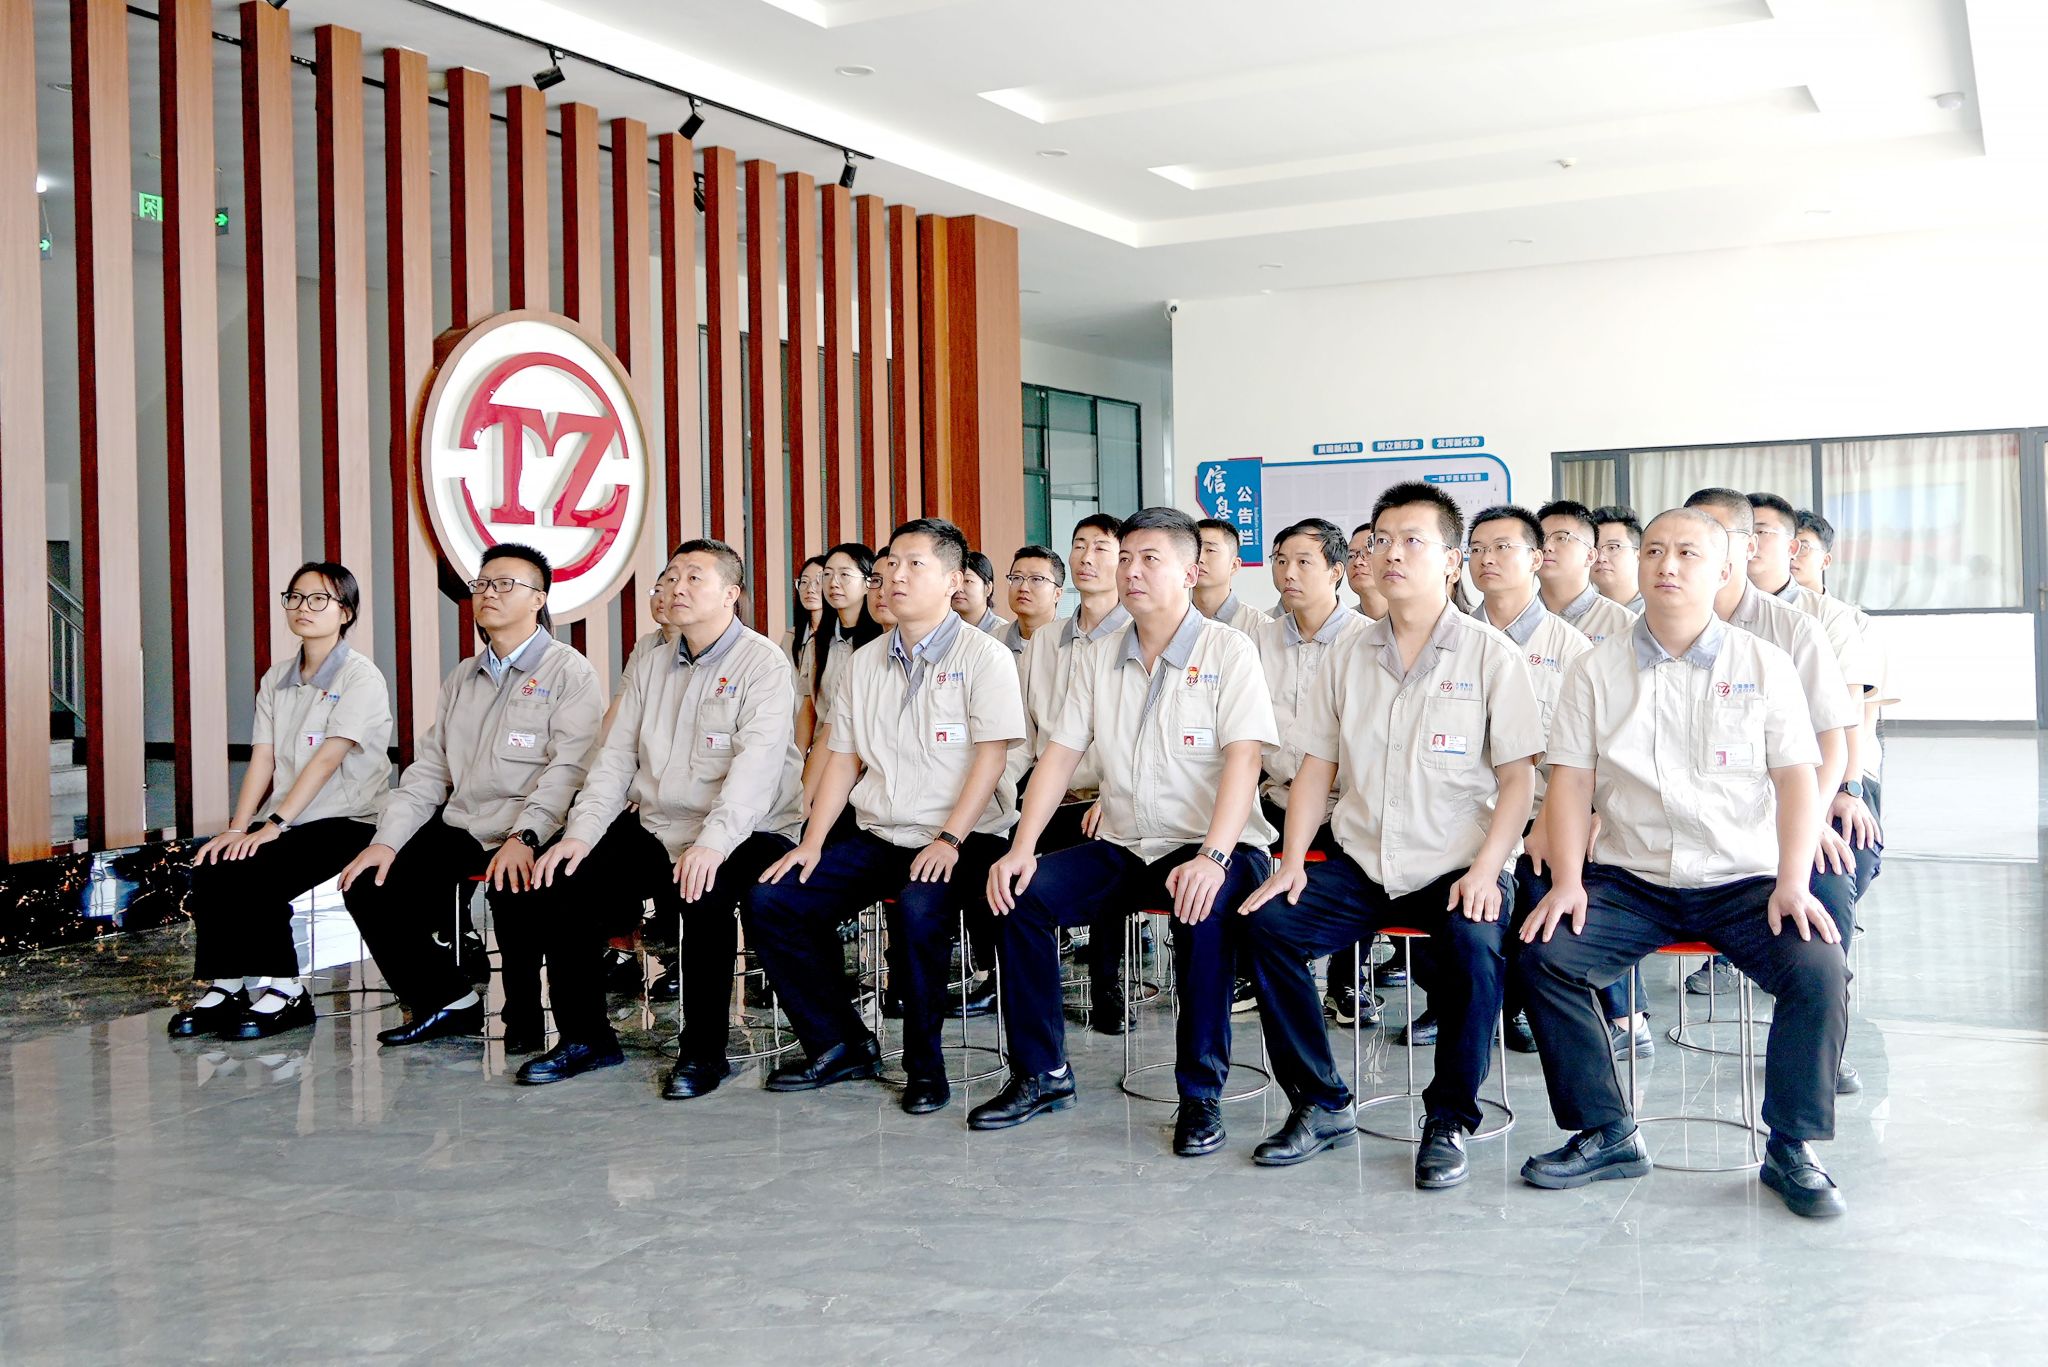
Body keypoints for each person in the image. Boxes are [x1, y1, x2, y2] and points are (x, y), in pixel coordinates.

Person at [1515, 507, 1850, 1219]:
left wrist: (1793, 882)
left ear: (1724, 570)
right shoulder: (1595, 668)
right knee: (1546, 955)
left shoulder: (1763, 664)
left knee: (1819, 968)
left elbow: (1797, 781)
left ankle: (1791, 1145)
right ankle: (1606, 1131)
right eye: (1655, 551)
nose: (1668, 565)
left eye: (1688, 553)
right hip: (1632, 879)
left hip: (1743, 879)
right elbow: (1571, 782)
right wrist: (1568, 881)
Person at [1236, 483, 1541, 1185]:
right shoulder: (1348, 654)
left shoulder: (1491, 656)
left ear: (1452, 562)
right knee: (1269, 924)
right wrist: (1291, 861)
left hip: (1457, 862)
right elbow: (1316, 767)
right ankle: (1320, 1103)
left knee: (1474, 945)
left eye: (1412, 541)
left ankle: (1449, 1118)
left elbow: (1518, 781)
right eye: (1380, 540)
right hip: (1364, 861)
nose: (1391, 553)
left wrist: (1487, 869)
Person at [975, 507, 1278, 1157]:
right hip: (1126, 843)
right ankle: (1043, 1073)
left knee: (1201, 912)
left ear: (1190, 572)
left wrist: (1213, 855)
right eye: (1127, 558)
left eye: (1150, 559)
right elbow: (1060, 754)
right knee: (1020, 894)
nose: (1131, 571)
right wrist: (1021, 848)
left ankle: (1200, 1094)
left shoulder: (1229, 650)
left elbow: (1244, 759)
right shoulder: (1100, 655)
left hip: (1217, 845)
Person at [747, 517, 1026, 1116]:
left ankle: (925, 1067)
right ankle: (840, 1043)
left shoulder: (985, 657)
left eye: (914, 564)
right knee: (776, 900)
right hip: (881, 833)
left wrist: (950, 838)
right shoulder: (865, 662)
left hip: (967, 835)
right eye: (890, 564)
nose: (896, 576)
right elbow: (843, 758)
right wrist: (812, 841)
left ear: (953, 579)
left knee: (919, 912)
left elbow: (992, 758)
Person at [527, 539, 804, 1094]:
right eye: (671, 576)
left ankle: (704, 1052)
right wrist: (580, 835)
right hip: (659, 822)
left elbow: (755, 771)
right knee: (564, 874)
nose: (677, 587)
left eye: (694, 577)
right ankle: (586, 1038)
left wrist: (713, 843)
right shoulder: (650, 660)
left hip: (750, 827)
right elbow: (615, 759)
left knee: (704, 891)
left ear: (731, 594)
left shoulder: (763, 663)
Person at [337, 545, 602, 1051]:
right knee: (369, 883)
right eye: (482, 584)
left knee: (515, 886)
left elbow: (569, 770)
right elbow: (429, 771)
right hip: (465, 824)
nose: (488, 594)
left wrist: (526, 836)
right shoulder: (463, 677)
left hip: (535, 827)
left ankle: (527, 1022)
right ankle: (447, 1000)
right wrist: (386, 841)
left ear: (538, 599)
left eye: (505, 584)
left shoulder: (569, 673)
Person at [169, 563, 392, 1041]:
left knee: (260, 872)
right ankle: (228, 986)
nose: (303, 608)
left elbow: (328, 759)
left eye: (319, 599)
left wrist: (273, 824)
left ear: (345, 612)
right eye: (295, 597)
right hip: (289, 819)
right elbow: (263, 757)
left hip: (350, 819)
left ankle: (288, 991)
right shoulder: (277, 678)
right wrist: (238, 827)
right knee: (214, 862)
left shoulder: (360, 677)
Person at [1463, 506, 1617, 1058]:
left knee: (1540, 889)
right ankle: (1460, 1002)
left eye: (1503, 547)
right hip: (1461, 812)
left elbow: (1585, 757)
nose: (1487, 559)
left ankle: (1523, 1003)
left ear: (1536, 557)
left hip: (1541, 813)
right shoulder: (1450, 638)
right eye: (1477, 549)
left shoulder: (1572, 649)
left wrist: (1556, 822)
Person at [1245, 519, 1370, 1025]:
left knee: (1358, 859)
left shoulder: (1367, 641)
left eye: (1303, 562)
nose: (1288, 573)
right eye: (1280, 561)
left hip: (1343, 801)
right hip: (1275, 795)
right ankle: (1250, 969)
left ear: (1337, 571)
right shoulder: (1257, 641)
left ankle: (1348, 980)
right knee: (1239, 848)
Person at [1014, 513, 1133, 1029]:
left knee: (1106, 848)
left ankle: (1107, 984)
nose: (1087, 557)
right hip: (1047, 795)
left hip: (1105, 800)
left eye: (1101, 548)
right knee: (1000, 854)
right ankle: (1020, 988)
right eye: (1079, 545)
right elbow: (1022, 735)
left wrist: (1114, 793)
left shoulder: (1135, 636)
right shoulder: (1044, 641)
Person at [798, 543, 886, 813]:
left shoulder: (880, 642)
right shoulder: (817, 643)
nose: (833, 583)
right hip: (820, 759)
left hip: (863, 767)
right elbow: (809, 709)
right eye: (827, 574)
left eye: (845, 575)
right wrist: (796, 764)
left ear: (868, 582)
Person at [1537, 499, 1637, 644]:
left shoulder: (1625, 625)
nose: (1546, 546)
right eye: (1541, 538)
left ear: (1590, 556)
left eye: (1561, 538)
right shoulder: (1513, 616)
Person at [1194, 517, 1258, 633]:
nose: (1199, 559)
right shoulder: (1169, 621)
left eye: (1210, 550)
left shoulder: (1259, 626)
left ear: (1234, 565)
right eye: (1194, 550)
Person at [790, 555, 828, 747]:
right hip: (792, 734)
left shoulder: (837, 642)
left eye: (819, 581)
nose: (810, 589)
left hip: (824, 738)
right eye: (804, 582)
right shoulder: (790, 637)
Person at [1002, 545, 1065, 656]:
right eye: (1017, 578)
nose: (1023, 588)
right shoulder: (993, 643)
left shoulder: (1069, 644)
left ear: (1057, 594)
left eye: (1036, 579)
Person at [1590, 506, 1644, 612]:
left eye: (1612, 547)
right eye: (1594, 548)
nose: (1601, 558)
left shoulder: (1658, 612)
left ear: (1638, 555)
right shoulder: (1582, 615)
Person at [954, 550, 1010, 637]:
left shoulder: (1003, 634)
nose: (958, 588)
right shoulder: (943, 630)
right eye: (954, 580)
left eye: (968, 581)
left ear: (988, 588)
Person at [1346, 523, 1390, 621]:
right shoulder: (1344, 625)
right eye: (1351, 556)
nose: (1357, 562)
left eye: (1369, 552)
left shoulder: (1416, 619)